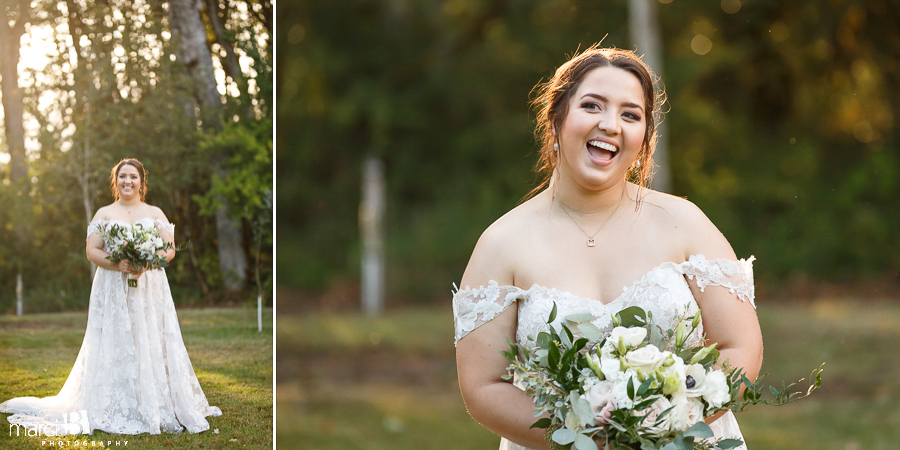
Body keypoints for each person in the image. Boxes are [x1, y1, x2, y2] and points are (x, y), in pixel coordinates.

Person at [452, 46, 763, 450]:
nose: (610, 124)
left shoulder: (684, 222)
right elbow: (483, 385)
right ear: (556, 117)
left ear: (644, 136)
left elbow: (740, 347)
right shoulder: (502, 243)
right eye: (592, 105)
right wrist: (587, 439)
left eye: (630, 114)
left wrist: (663, 426)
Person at [1, 158, 222, 435]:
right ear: (115, 181)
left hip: (149, 288)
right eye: (122, 177)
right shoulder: (104, 213)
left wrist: (147, 261)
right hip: (112, 288)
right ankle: (115, 402)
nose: (127, 181)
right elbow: (92, 251)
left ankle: (153, 401)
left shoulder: (155, 212)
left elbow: (169, 249)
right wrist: (118, 263)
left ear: (142, 182)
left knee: (148, 337)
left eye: (133, 177)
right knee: (116, 339)